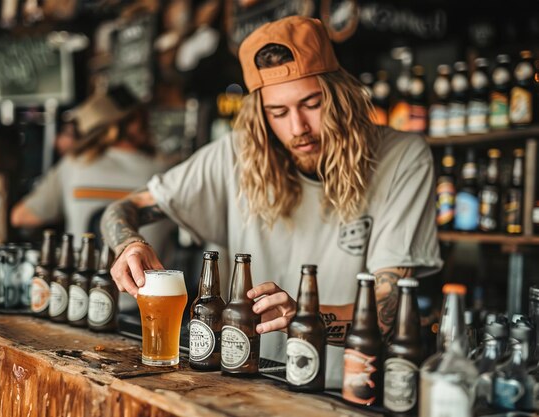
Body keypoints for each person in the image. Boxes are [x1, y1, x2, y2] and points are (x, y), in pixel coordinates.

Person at [100, 16, 442, 387]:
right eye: (278, 113)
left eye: (312, 104)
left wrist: (304, 315)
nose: (298, 128)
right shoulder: (234, 154)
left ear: (340, 96)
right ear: (261, 116)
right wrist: (128, 243)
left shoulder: (403, 158)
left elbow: (388, 315)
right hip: (245, 382)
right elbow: (124, 208)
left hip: (347, 392)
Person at [11, 86, 171, 254]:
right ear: (134, 122)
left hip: (81, 278)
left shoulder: (74, 165)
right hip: (148, 279)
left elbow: (20, 217)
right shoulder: (165, 171)